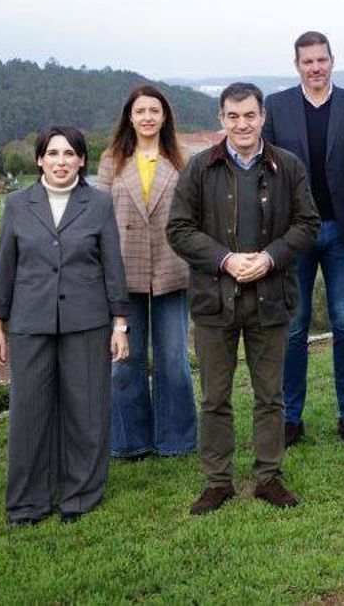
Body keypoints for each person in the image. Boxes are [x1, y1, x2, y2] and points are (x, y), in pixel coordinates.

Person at [167, 82, 319, 515]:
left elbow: (308, 223)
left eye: (249, 115)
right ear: (222, 120)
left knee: (270, 395)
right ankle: (218, 481)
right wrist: (225, 260)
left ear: (263, 117)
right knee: (215, 396)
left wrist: (270, 258)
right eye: (233, 116)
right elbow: (179, 229)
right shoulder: (199, 168)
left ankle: (268, 476)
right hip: (215, 301)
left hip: (270, 298)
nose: (242, 124)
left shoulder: (287, 166)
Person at [0, 125, 131, 526]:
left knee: (86, 412)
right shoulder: (17, 205)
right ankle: (27, 503)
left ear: (82, 160)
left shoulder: (99, 204)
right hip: (29, 322)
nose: (61, 161)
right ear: (39, 160)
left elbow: (113, 267)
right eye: (53, 154)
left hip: (87, 322)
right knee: (28, 413)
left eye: (70, 154)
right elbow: (4, 269)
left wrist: (120, 324)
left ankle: (80, 496)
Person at [262, 31, 344, 448]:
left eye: (322, 60)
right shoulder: (275, 107)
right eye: (307, 61)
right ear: (297, 66)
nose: (315, 67)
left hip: (343, 233)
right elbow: (266, 174)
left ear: (332, 61)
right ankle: (291, 417)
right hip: (294, 234)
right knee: (294, 327)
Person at [100, 86, 197, 462]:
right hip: (125, 271)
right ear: (129, 116)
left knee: (173, 358)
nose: (147, 117)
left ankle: (176, 440)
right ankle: (130, 441)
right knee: (127, 360)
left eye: (154, 110)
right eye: (140, 111)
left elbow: (194, 211)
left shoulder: (181, 158)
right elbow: (102, 216)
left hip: (173, 269)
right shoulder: (112, 160)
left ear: (165, 117)